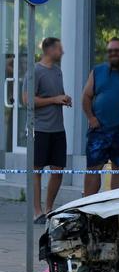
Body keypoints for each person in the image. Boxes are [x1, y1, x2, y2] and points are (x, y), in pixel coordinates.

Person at [81, 37, 119, 196]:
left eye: (117, 50)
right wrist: (91, 118)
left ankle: (116, 210)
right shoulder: (97, 71)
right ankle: (88, 207)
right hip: (99, 130)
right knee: (93, 168)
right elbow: (86, 96)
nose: (114, 54)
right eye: (110, 51)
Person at [22, 37, 71, 224]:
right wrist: (54, 99)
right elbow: (27, 101)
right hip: (40, 129)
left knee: (58, 170)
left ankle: (50, 208)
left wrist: (64, 99)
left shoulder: (57, 71)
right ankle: (37, 211)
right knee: (36, 170)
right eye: (60, 49)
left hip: (58, 128)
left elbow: (56, 96)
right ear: (49, 50)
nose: (62, 52)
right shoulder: (34, 71)